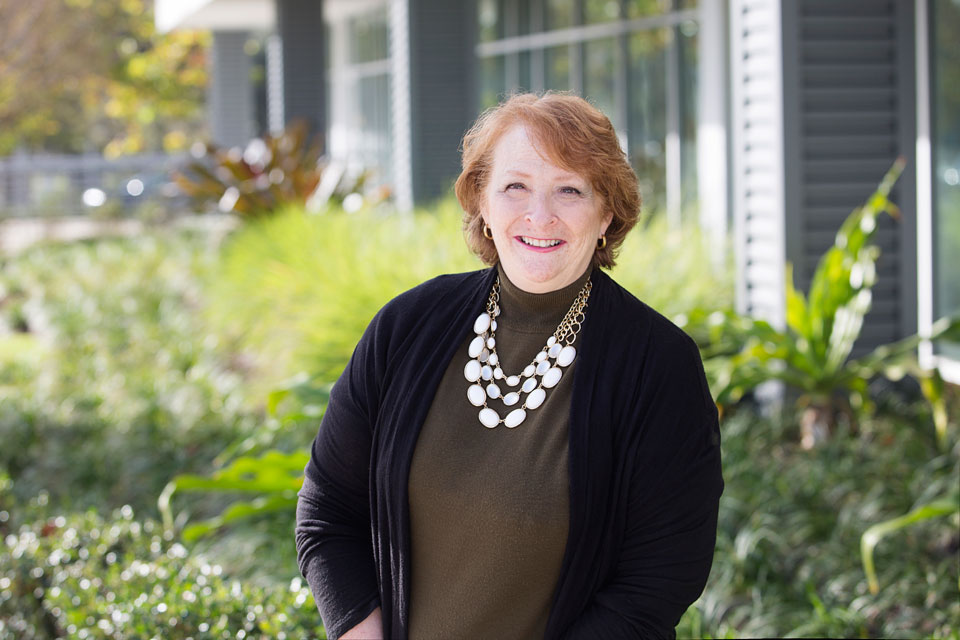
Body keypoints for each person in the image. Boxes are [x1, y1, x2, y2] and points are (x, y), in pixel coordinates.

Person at [296, 92, 723, 640]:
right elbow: (328, 511)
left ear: (606, 212)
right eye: (514, 187)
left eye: (569, 190)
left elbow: (658, 582)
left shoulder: (657, 365)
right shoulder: (406, 327)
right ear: (483, 203)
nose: (539, 215)